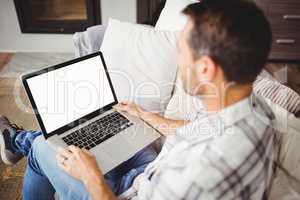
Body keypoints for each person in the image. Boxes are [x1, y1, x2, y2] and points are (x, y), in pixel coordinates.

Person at [0, 0, 278, 199]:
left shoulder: (199, 178)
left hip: (120, 192)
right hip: (152, 172)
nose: (178, 60)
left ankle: (20, 141)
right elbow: (200, 127)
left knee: (40, 147)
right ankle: (18, 139)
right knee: (101, 132)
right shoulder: (255, 111)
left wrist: (91, 176)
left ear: (206, 68)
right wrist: (147, 116)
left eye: (181, 52)